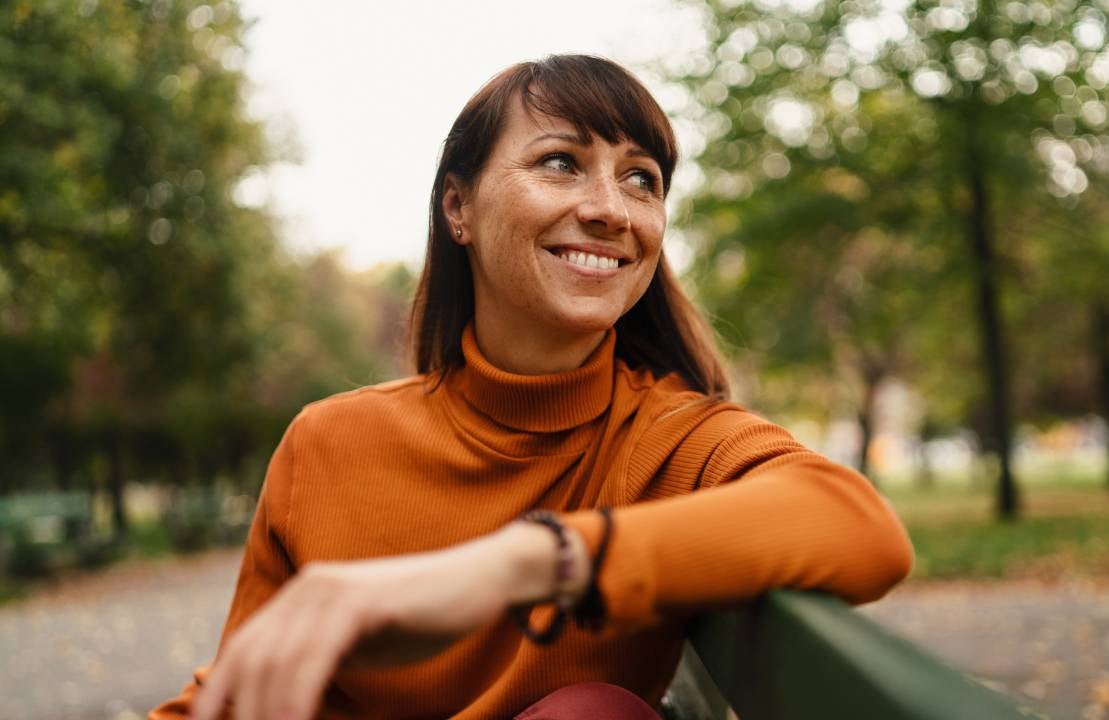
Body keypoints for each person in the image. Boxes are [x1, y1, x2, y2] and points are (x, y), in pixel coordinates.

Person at [149, 54, 913, 720]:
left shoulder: (667, 439)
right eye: (560, 162)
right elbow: (237, 697)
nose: (610, 210)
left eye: (641, 179)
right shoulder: (327, 444)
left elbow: (860, 528)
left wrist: (518, 565)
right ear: (459, 208)